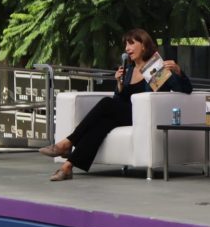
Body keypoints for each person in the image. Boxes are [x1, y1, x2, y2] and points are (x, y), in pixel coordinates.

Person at [38, 28, 193, 181]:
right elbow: (118, 102)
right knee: (101, 125)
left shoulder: (156, 68)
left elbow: (185, 89)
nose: (127, 49)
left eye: (131, 44)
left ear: (144, 45)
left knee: (106, 104)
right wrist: (119, 85)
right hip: (125, 114)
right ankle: (67, 166)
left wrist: (178, 71)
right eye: (126, 45)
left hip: (144, 117)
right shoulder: (129, 71)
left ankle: (68, 142)